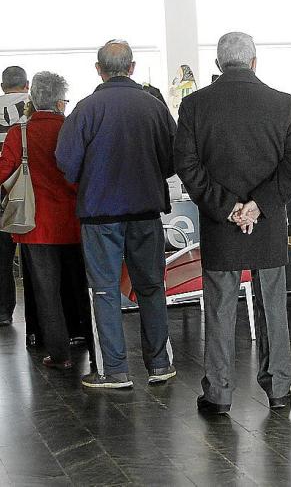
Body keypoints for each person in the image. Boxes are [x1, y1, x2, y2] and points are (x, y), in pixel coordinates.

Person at [174, 32, 291, 414]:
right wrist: (258, 206)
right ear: (254, 61)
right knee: (273, 307)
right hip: (267, 223)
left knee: (219, 307)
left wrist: (229, 207)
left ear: (219, 64)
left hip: (220, 223)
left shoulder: (195, 105)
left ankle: (218, 394)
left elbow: (186, 164)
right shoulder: (284, 103)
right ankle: (278, 390)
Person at [55, 39, 177, 389]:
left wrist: (92, 178)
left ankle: (116, 371)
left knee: (105, 291)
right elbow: (174, 158)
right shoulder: (154, 107)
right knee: (151, 287)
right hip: (146, 212)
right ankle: (159, 364)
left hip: (100, 215)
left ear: (99, 70)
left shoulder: (86, 109)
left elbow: (66, 161)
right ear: (132, 67)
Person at [0, 71, 94, 370]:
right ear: (60, 101)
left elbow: (3, 172)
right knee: (83, 288)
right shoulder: (72, 129)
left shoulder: (20, 133)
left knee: (46, 292)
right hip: (76, 222)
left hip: (35, 226)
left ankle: (59, 354)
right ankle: (95, 349)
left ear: (33, 98)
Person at [0, 66, 30, 327]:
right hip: (31, 191)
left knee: (2, 258)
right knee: (37, 257)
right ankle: (39, 319)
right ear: (27, 84)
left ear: (2, 86)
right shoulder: (36, 106)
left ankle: (2, 310)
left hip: (1, 190)